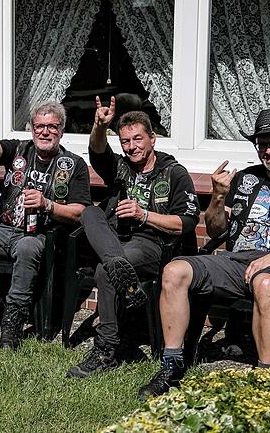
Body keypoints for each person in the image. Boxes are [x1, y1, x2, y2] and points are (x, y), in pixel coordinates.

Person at [138, 108, 270, 400]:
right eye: (262, 144)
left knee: (265, 283)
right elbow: (216, 229)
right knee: (174, 271)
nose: (268, 150)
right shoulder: (246, 179)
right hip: (236, 261)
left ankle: (264, 378)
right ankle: (171, 365)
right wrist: (218, 196)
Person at [66, 96, 200, 378]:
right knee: (89, 213)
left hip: (151, 243)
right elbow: (98, 150)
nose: (131, 147)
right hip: (114, 240)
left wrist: (144, 215)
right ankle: (118, 267)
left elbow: (185, 223)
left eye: (137, 139)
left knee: (106, 269)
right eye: (125, 141)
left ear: (153, 139)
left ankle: (106, 348)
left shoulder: (175, 174)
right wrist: (100, 126)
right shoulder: (121, 167)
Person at [0, 102, 91, 350]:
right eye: (39, 126)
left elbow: (80, 212)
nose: (45, 132)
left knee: (28, 249)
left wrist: (48, 205)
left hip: (40, 234)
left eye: (52, 126)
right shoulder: (18, 150)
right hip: (5, 226)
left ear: (61, 130)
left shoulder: (74, 165)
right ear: (32, 128)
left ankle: (13, 322)